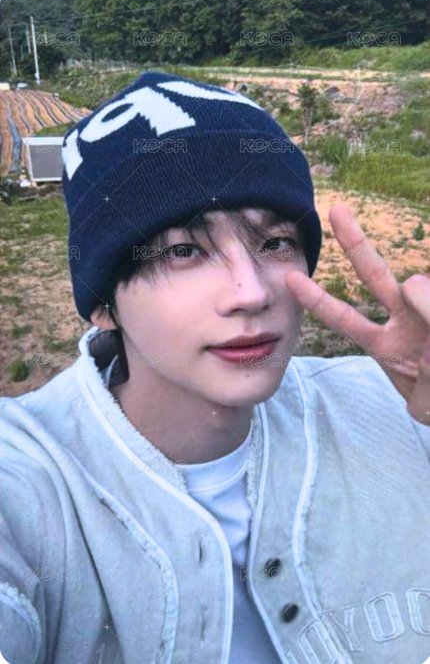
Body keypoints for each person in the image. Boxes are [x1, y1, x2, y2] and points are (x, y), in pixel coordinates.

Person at [1, 70, 430, 664]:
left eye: (275, 243)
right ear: (102, 303)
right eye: (183, 251)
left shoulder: (399, 406)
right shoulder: (27, 484)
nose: (250, 292)